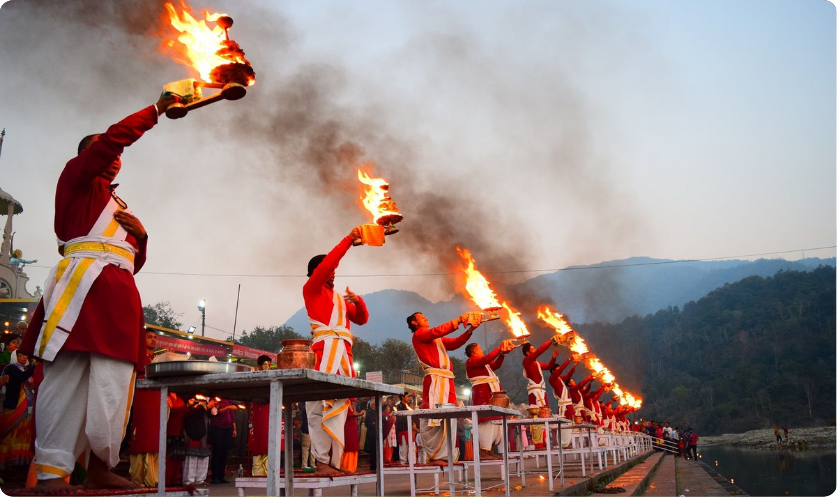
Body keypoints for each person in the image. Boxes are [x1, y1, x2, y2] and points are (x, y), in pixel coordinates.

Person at [19, 94, 179, 494]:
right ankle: (51, 473)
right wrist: (156, 111)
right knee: (66, 379)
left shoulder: (118, 204)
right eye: (108, 153)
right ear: (86, 157)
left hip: (119, 297)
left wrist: (143, 236)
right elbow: (112, 140)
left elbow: (129, 261)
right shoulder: (76, 181)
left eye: (119, 157)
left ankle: (100, 466)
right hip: (80, 291)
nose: (115, 159)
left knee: (113, 383)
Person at [303, 227, 368, 475]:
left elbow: (362, 319)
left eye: (334, 272)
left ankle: (333, 463)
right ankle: (321, 462)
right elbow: (329, 263)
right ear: (318, 272)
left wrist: (358, 301)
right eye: (329, 271)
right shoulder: (311, 289)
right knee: (318, 409)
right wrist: (349, 240)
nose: (333, 274)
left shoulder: (340, 299)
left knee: (339, 409)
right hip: (322, 356)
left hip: (343, 358)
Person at [409, 311, 479, 466]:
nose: (425, 317)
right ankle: (434, 456)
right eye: (421, 316)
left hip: (447, 380)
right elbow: (437, 331)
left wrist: (470, 330)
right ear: (414, 322)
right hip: (435, 380)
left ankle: (447, 455)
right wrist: (459, 320)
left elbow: (455, 343)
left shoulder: (437, 339)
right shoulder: (419, 335)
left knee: (450, 416)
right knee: (435, 416)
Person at [465, 341, 513, 460]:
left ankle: (490, 451)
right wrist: (499, 348)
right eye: (480, 348)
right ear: (474, 351)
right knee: (487, 420)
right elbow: (485, 359)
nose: (482, 350)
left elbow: (495, 365)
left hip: (490, 391)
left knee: (495, 420)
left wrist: (502, 354)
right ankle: (483, 452)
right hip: (482, 393)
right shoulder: (471, 361)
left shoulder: (483, 363)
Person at [129, 329, 161, 487]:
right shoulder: (138, 356)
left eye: (155, 337)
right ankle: (139, 479)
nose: (153, 340)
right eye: (149, 337)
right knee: (142, 439)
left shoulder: (157, 360)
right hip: (142, 402)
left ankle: (153, 479)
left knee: (155, 440)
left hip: (156, 402)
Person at [0, 351, 35, 469]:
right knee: (12, 430)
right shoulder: (11, 368)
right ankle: (8, 458)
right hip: (14, 402)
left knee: (24, 429)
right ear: (15, 357)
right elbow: (21, 377)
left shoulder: (26, 369)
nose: (24, 357)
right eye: (20, 355)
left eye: (25, 355)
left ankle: (22, 459)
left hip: (27, 402)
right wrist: (35, 366)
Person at [249, 356, 275, 476]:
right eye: (265, 365)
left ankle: (269, 471)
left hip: (270, 410)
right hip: (259, 411)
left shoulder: (273, 377)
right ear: (259, 366)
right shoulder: (254, 378)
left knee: (269, 439)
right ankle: (259, 472)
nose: (267, 367)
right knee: (260, 441)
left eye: (269, 365)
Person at [182, 397, 214, 486]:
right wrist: (206, 407)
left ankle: (200, 479)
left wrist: (212, 407)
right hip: (193, 431)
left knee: (203, 457)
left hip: (204, 432)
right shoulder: (191, 405)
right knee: (192, 458)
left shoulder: (205, 403)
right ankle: (189, 480)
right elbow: (192, 412)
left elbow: (212, 414)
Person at [521, 338, 558, 409]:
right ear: (528, 353)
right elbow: (539, 351)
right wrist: (551, 341)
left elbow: (549, 366)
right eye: (532, 349)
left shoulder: (537, 363)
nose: (535, 350)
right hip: (535, 391)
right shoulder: (526, 360)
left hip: (542, 390)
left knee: (546, 410)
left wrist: (553, 358)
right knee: (538, 412)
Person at [208, 398, 238, 483]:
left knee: (224, 452)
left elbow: (232, 415)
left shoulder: (228, 400)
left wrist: (234, 428)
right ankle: (215, 476)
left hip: (227, 428)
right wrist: (228, 407)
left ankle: (221, 475)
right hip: (217, 427)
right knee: (217, 451)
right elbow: (215, 413)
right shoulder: (215, 399)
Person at [340, 400, 363, 472]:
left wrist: (358, 414)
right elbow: (348, 414)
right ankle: (347, 466)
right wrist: (359, 414)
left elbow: (353, 413)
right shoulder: (345, 402)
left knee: (353, 446)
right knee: (349, 446)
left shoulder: (351, 403)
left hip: (352, 426)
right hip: (348, 426)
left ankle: (351, 466)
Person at [395, 393, 416, 465]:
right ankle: (403, 463)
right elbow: (400, 419)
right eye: (407, 396)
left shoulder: (407, 406)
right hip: (403, 429)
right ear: (402, 397)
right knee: (403, 448)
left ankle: (412, 463)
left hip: (409, 429)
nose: (408, 398)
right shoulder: (399, 406)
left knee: (411, 447)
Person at [298, 403, 315, 470]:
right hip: (307, 429)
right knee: (306, 447)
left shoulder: (304, 405)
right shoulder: (305, 406)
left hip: (309, 428)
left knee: (311, 448)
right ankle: (305, 464)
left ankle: (311, 464)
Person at [364, 399, 379, 471]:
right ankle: (374, 465)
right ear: (373, 404)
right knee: (373, 450)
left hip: (375, 433)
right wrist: (374, 422)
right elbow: (370, 423)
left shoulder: (375, 411)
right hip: (372, 433)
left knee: (376, 450)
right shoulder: (370, 412)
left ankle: (376, 464)